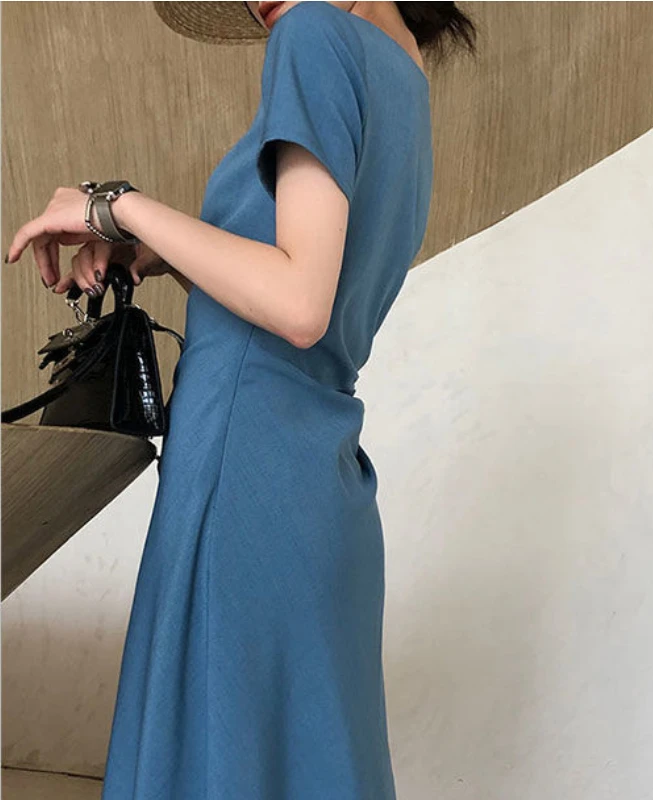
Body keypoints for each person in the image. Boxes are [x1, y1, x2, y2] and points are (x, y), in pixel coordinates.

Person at [5, 1, 476, 797]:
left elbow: (298, 306)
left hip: (242, 466)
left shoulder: (313, 35)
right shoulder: (404, 79)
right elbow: (301, 311)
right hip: (316, 481)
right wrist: (159, 251)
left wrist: (115, 205)